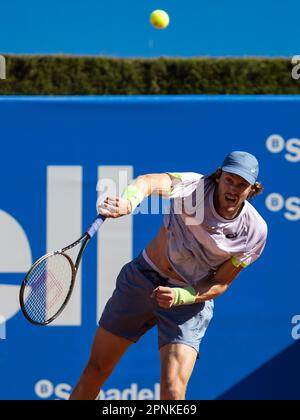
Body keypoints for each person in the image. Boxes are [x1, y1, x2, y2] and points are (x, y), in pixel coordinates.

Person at [70, 151, 268, 400]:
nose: (234, 189)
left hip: (187, 301)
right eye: (229, 180)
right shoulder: (193, 187)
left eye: (242, 185)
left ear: (252, 190)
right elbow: (148, 182)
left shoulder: (254, 231)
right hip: (142, 279)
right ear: (219, 177)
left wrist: (181, 296)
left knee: (173, 394)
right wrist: (129, 202)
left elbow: (220, 283)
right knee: (95, 372)